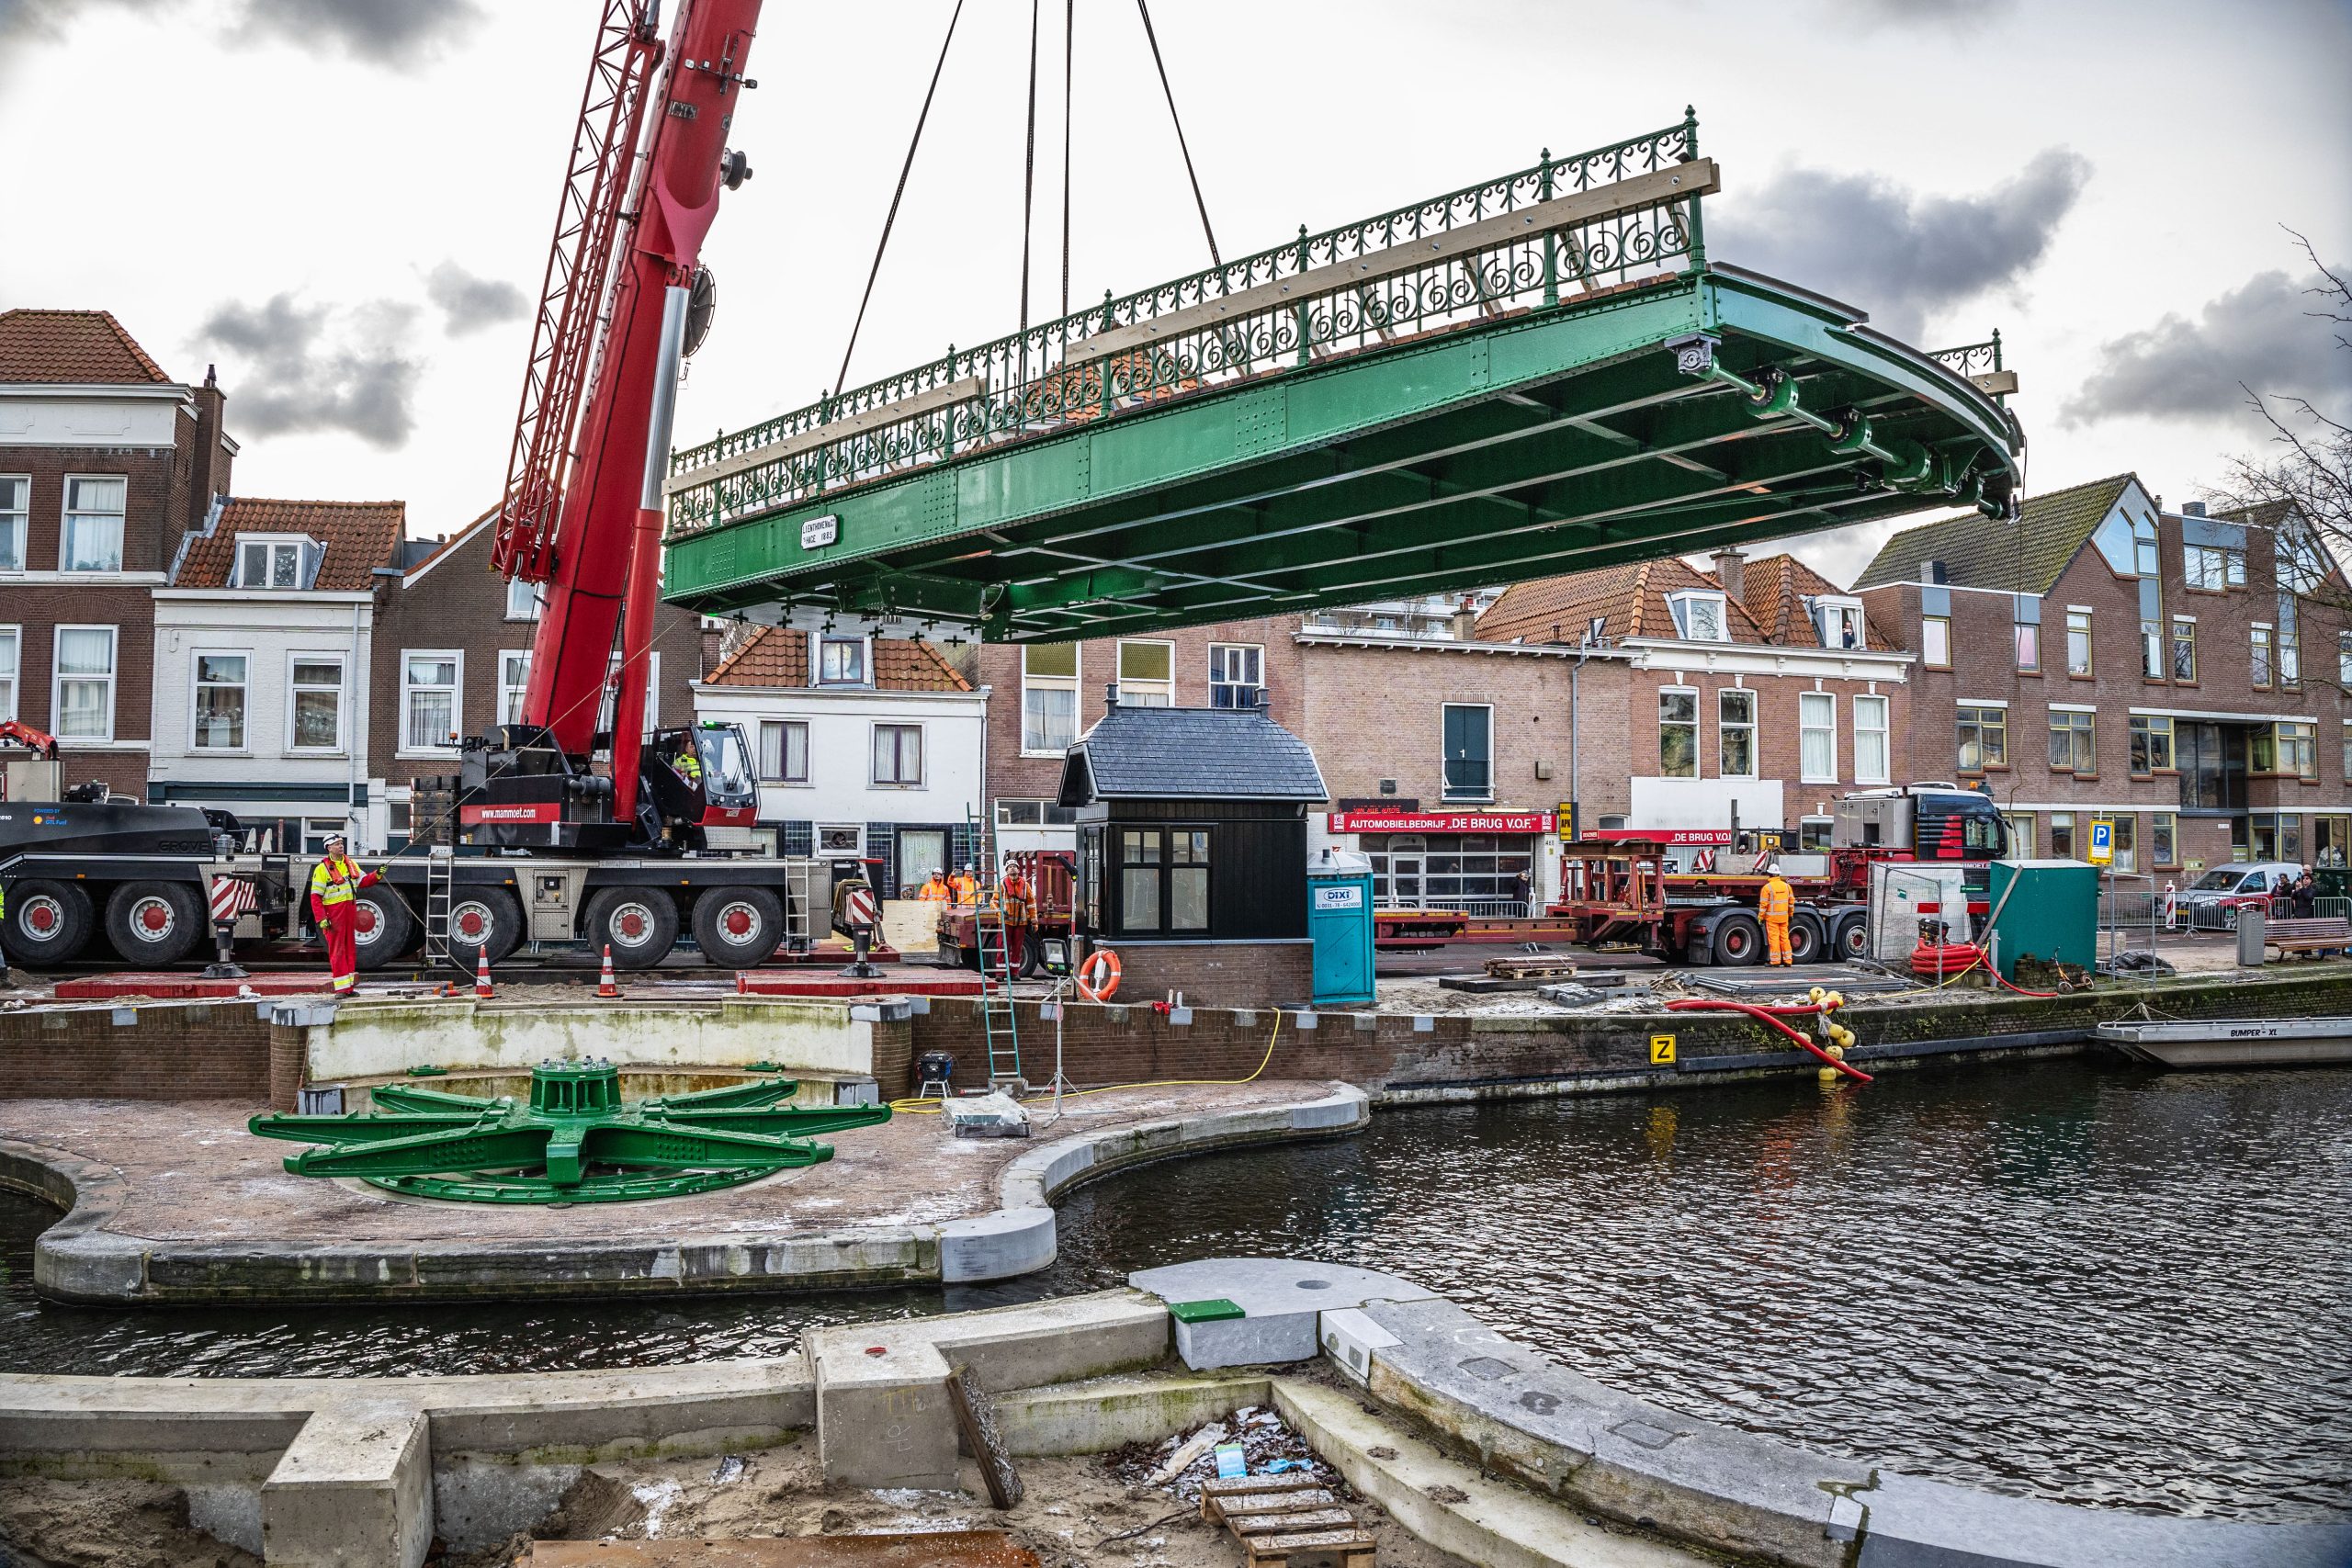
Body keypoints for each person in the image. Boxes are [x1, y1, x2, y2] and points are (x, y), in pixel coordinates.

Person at [308, 833, 381, 995]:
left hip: (349, 912)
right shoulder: (322, 869)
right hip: (334, 915)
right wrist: (322, 919)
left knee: (349, 950)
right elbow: (315, 897)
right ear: (328, 848)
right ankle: (341, 989)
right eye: (337, 844)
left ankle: (348, 988)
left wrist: (377, 874)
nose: (341, 846)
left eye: (341, 843)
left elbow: (363, 881)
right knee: (338, 951)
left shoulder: (350, 863)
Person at [999, 860, 1040, 977]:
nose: (1012, 869)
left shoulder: (1025, 885)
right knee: (1003, 946)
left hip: (1021, 922)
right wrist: (1001, 913)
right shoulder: (1002, 885)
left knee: (1017, 948)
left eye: (1014, 866)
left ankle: (1014, 973)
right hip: (1006, 921)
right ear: (1006, 871)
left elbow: (1031, 904)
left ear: (1018, 870)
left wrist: (1034, 921)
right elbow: (994, 902)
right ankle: (1000, 973)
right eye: (1010, 867)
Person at [1759, 863, 1795, 967]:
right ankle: (1788, 961)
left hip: (1772, 919)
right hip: (1784, 918)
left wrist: (1761, 917)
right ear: (1778, 874)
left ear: (1769, 874)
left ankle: (1775, 961)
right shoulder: (1787, 886)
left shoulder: (1767, 888)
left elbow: (1763, 905)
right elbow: (1791, 902)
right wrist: (1790, 914)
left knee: (1774, 939)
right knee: (1785, 938)